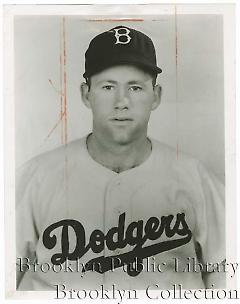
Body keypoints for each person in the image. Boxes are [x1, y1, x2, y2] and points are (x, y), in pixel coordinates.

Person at [16, 25, 225, 291]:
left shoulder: (196, 178)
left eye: (136, 87)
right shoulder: (36, 177)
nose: (121, 101)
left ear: (156, 96)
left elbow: (228, 274)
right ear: (85, 94)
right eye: (107, 86)